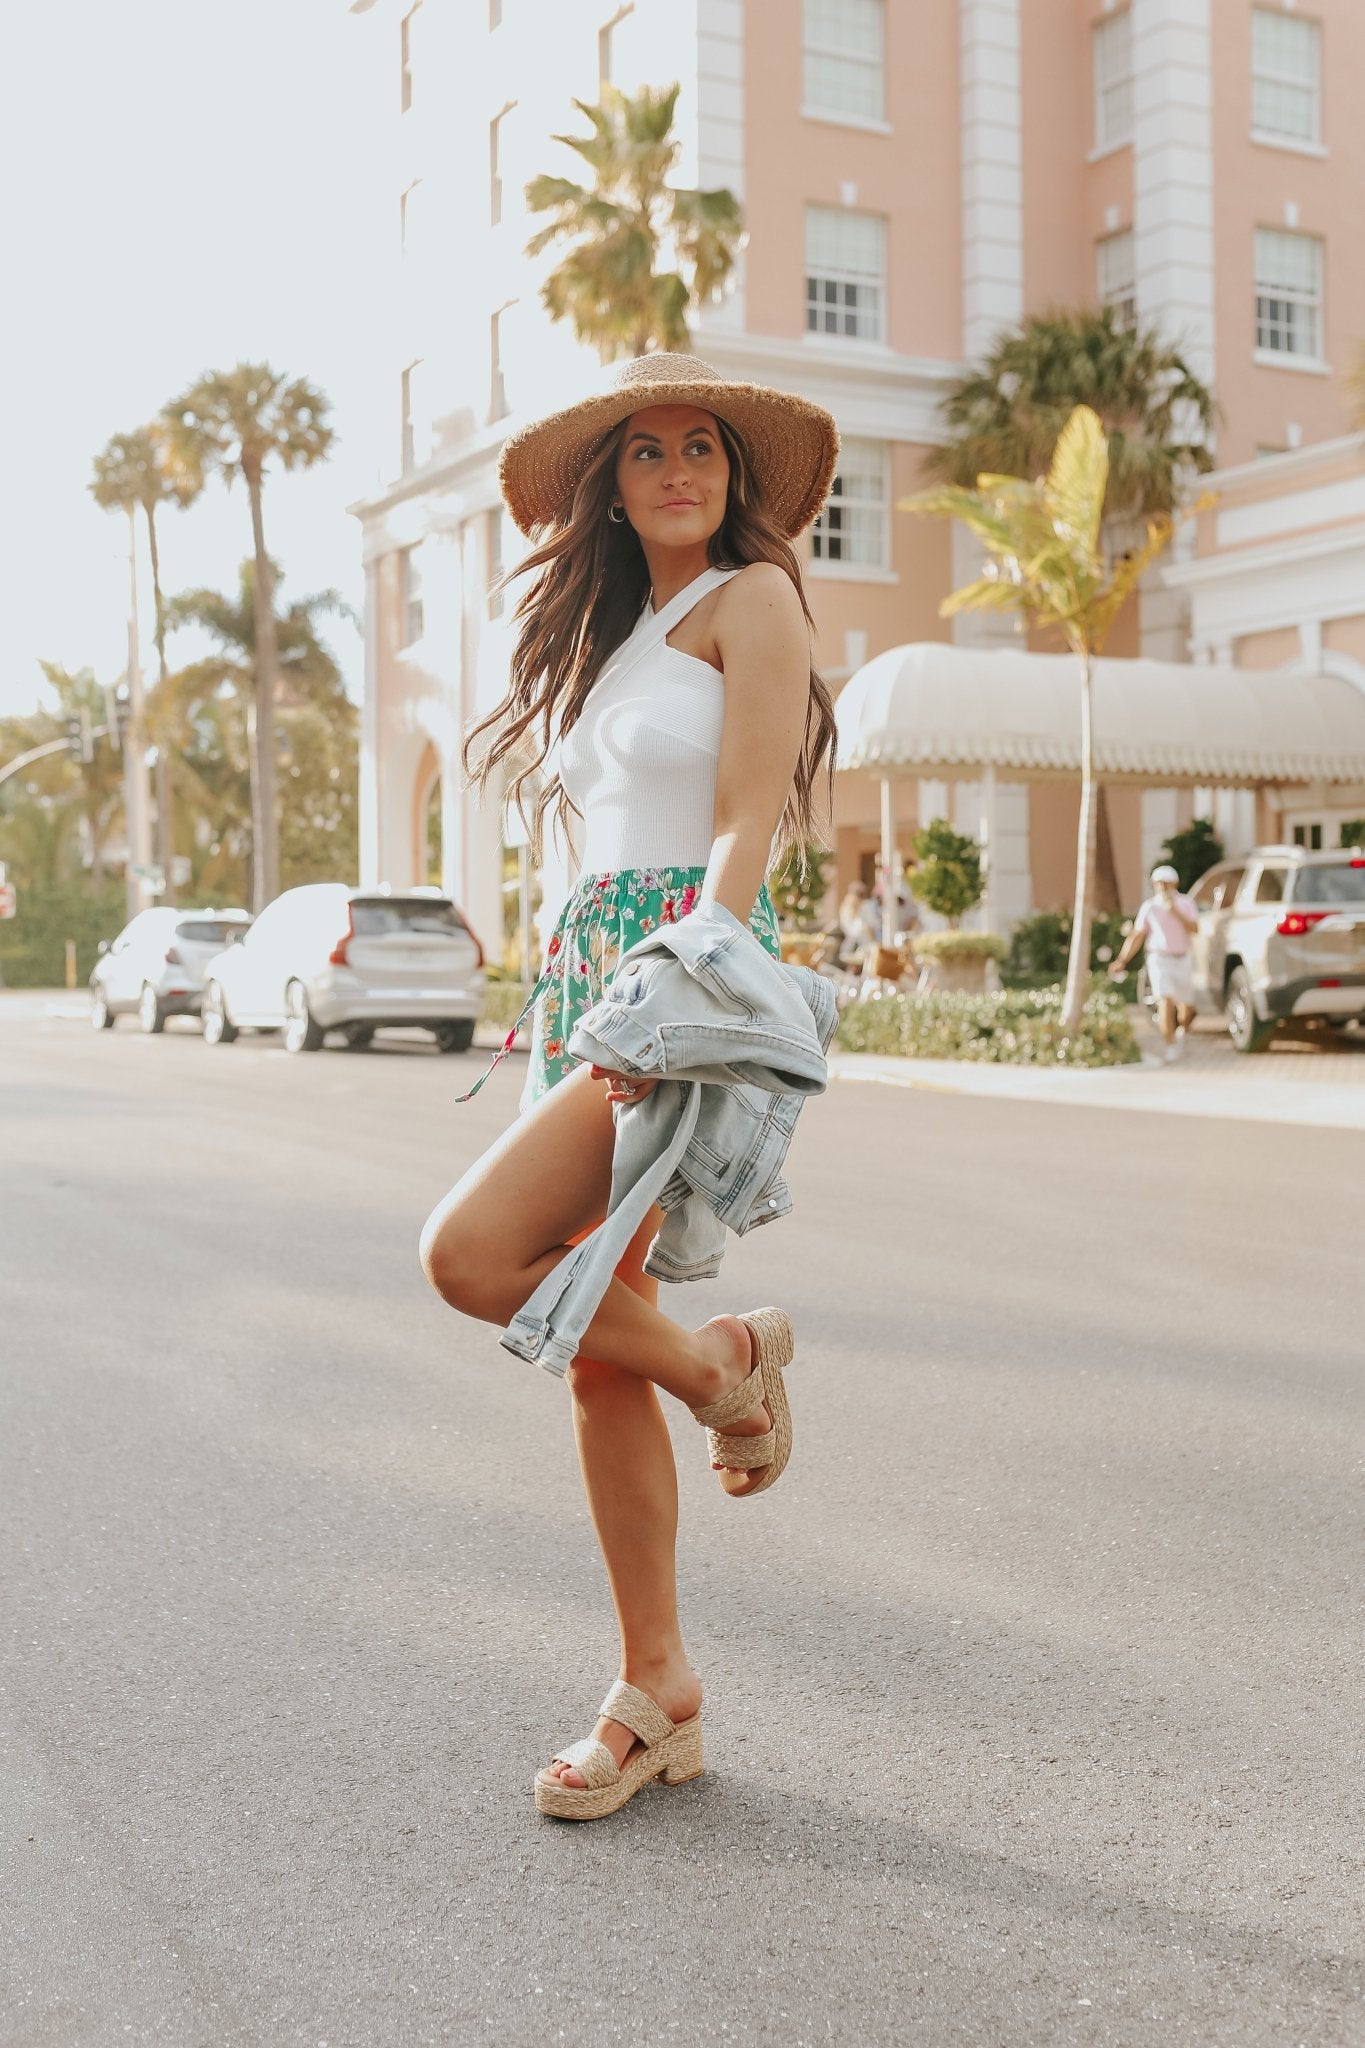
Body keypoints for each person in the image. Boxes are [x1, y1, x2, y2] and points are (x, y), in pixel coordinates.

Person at [417, 351, 839, 1820]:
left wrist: (674, 986)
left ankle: (728, 1373)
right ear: (613, 484)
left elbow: (744, 819)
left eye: (702, 448)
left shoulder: (752, 602)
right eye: (647, 450)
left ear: (733, 477)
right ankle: (655, 1686)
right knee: (601, 1351)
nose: (676, 469)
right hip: (592, 973)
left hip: (674, 979)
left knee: (472, 1257)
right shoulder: (617, 637)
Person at [1110, 861, 1199, 1060]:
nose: (1162, 887)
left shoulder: (1186, 903)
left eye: (1165, 883)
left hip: (1182, 959)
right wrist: (1122, 960)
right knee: (1164, 1001)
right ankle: (1170, 1045)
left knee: (1187, 1008)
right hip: (1160, 959)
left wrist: (1174, 911)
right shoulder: (1149, 907)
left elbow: (1194, 929)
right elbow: (1137, 936)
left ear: (1174, 883)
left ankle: (1182, 1032)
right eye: (1158, 883)